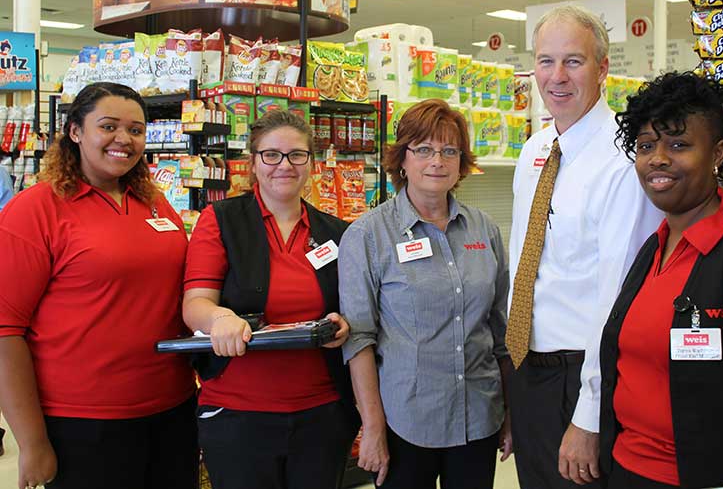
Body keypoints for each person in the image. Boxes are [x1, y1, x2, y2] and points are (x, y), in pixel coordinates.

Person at [598, 71, 723, 489]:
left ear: (718, 153)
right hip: (626, 469)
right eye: (646, 146)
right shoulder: (653, 248)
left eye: (678, 145)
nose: (658, 159)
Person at [0, 82, 197, 489]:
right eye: (108, 126)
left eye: (136, 130)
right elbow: (5, 331)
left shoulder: (156, 204)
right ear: (75, 131)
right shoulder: (35, 210)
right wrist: (33, 442)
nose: (123, 140)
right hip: (83, 422)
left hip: (171, 408)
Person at [505, 5, 663, 489]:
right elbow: (522, 265)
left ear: (603, 69)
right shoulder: (534, 150)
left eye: (573, 61)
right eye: (546, 61)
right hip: (527, 369)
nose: (556, 76)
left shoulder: (622, 162)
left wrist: (588, 416)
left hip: (583, 376)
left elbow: (616, 299)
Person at [339, 99, 513, 489]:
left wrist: (510, 411)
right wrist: (372, 428)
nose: (438, 160)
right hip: (406, 421)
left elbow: (499, 331)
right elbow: (359, 341)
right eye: (424, 149)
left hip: (478, 416)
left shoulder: (483, 229)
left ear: (461, 162)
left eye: (449, 150)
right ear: (402, 159)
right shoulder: (368, 236)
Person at [182, 109, 359, 489]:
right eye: (271, 155)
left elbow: (351, 310)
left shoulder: (337, 232)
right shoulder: (221, 220)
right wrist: (219, 320)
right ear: (253, 162)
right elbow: (195, 303)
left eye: (297, 155)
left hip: (322, 413)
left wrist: (343, 323)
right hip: (237, 414)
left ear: (311, 162)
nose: (285, 165)